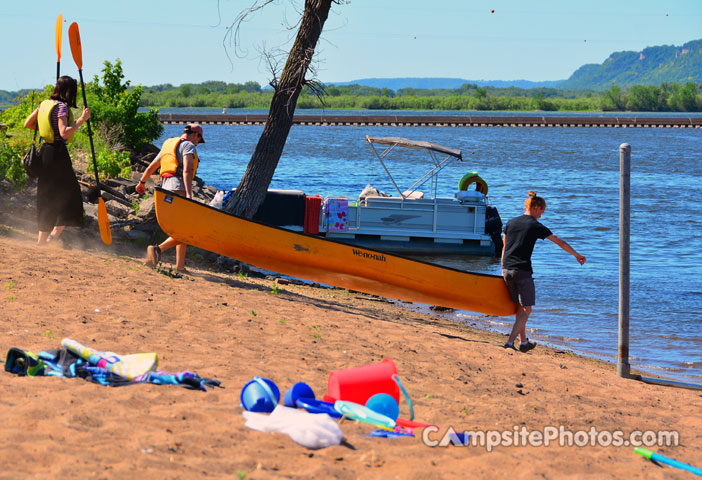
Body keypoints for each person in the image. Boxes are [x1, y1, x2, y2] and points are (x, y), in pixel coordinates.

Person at [501, 191, 586, 352]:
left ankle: (524, 342)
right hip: (522, 271)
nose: (542, 215)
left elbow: (504, 247)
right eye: (542, 211)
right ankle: (510, 342)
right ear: (537, 208)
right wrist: (576, 255)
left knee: (519, 307)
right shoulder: (535, 225)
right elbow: (558, 241)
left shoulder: (511, 222)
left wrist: (502, 268)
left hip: (506, 269)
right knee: (527, 309)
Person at [24, 76, 91, 245]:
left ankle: (41, 241)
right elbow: (64, 133)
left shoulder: (44, 104)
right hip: (58, 155)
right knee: (72, 194)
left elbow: (28, 124)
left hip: (44, 152)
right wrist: (80, 121)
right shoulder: (61, 107)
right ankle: (54, 236)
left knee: (46, 194)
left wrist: (47, 126)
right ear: (69, 92)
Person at [136, 124, 205, 273]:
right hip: (178, 189)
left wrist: (141, 182)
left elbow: (152, 167)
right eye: (199, 140)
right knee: (185, 231)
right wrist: (188, 194)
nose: (197, 143)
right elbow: (187, 170)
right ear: (195, 135)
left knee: (181, 228)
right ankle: (157, 250)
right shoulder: (188, 147)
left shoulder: (169, 144)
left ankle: (180, 266)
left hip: (165, 189)